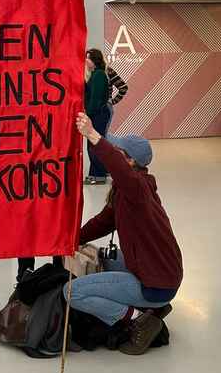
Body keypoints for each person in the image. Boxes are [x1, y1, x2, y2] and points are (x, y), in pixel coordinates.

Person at [66, 112, 182, 355]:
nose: (114, 154)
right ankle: (152, 309)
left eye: (119, 152)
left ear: (130, 162)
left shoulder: (136, 188)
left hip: (156, 285)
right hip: (162, 275)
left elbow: (119, 170)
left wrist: (92, 135)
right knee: (104, 258)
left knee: (72, 292)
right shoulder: (128, 192)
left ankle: (139, 318)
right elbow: (102, 223)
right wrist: (72, 240)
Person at [84, 49, 111, 184]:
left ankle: (99, 176)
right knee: (93, 144)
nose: (86, 60)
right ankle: (95, 174)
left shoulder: (99, 75)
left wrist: (87, 115)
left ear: (95, 61)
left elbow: (95, 99)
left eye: (88, 58)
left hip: (98, 114)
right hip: (96, 113)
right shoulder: (95, 74)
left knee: (95, 145)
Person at [106, 63, 129, 135]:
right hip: (89, 107)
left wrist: (112, 101)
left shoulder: (108, 71)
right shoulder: (84, 71)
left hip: (105, 107)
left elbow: (123, 87)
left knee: (101, 137)